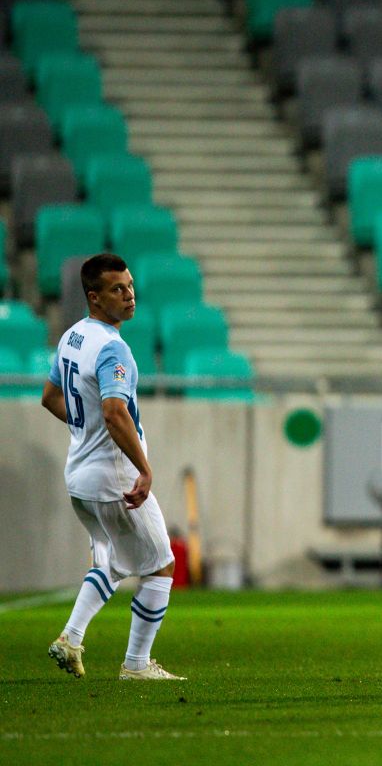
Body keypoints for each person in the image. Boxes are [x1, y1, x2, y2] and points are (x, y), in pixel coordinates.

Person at [42, 253, 184, 681]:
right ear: (94, 297)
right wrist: (144, 469)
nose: (129, 295)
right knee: (160, 565)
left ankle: (70, 638)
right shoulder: (112, 348)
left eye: (130, 286)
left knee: (110, 562)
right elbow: (114, 411)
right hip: (114, 477)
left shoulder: (72, 337)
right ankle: (137, 665)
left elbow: (50, 397)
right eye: (117, 289)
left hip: (80, 478)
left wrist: (84, 427)